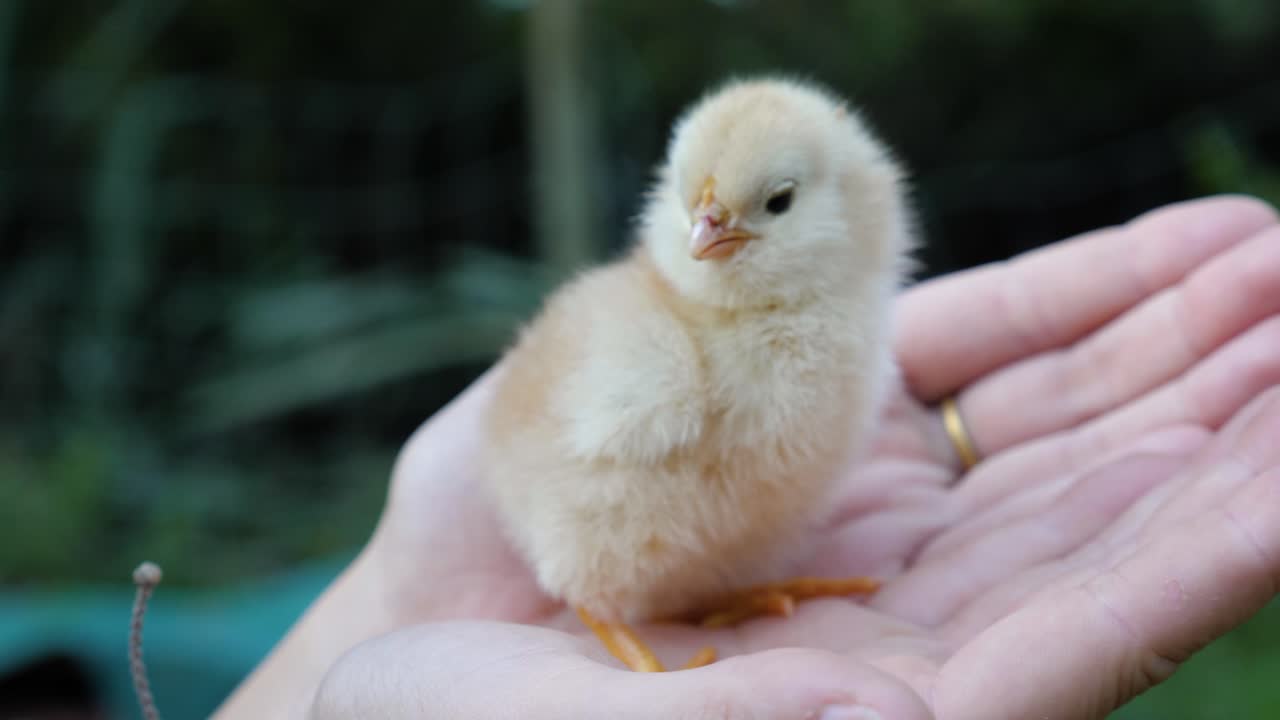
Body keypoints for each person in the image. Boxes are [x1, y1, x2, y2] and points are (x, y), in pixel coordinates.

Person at [213, 195, 1280, 720]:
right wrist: (397, 609)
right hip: (584, 539)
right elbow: (580, 451)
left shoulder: (835, 335)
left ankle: (687, 594)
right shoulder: (659, 347)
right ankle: (620, 611)